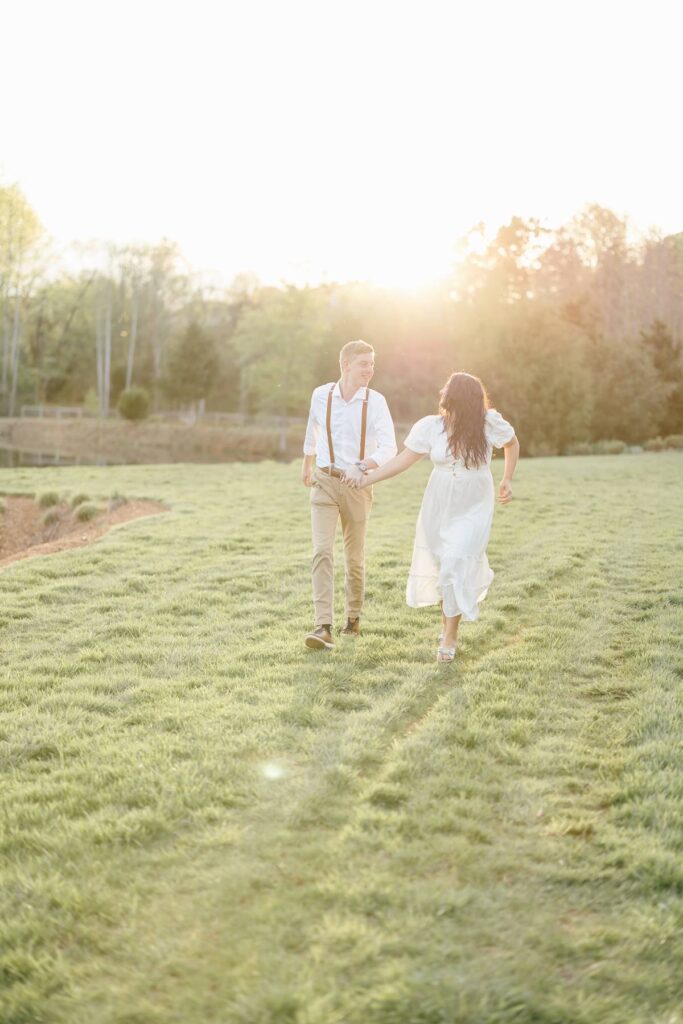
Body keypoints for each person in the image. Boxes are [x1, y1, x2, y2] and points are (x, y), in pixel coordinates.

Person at [350, 371, 519, 663]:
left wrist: (507, 479)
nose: (444, 400)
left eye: (449, 396)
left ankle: (450, 636)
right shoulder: (431, 427)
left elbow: (512, 443)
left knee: (456, 561)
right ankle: (447, 625)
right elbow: (404, 459)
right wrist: (369, 478)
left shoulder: (489, 424)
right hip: (439, 502)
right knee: (445, 566)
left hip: (475, 501)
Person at [301, 340, 397, 649]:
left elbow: (389, 447)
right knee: (321, 551)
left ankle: (353, 618)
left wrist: (364, 465)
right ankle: (322, 627)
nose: (370, 369)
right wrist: (307, 463)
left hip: (358, 486)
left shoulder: (376, 402)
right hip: (324, 482)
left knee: (353, 559)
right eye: (363, 364)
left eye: (372, 363)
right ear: (346, 365)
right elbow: (312, 429)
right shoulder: (321, 395)